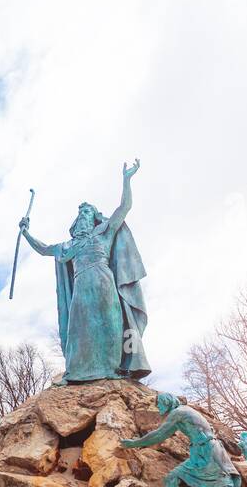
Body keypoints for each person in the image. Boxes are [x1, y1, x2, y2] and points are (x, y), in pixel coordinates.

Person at [18, 159, 151, 382]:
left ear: (94, 218)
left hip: (104, 284)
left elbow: (124, 207)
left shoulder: (104, 232)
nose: (82, 217)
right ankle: (78, 371)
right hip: (81, 287)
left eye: (87, 213)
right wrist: (26, 233)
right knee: (79, 330)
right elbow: (43, 249)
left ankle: (114, 368)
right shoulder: (68, 246)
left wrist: (126, 180)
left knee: (111, 325)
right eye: (80, 215)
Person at [121, 392, 247, 487]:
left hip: (207, 451)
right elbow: (163, 435)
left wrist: (133, 443)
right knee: (171, 478)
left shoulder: (178, 412)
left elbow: (159, 434)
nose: (158, 407)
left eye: (159, 403)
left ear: (167, 402)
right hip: (204, 451)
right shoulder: (184, 412)